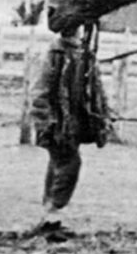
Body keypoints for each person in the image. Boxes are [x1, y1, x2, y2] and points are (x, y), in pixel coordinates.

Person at [30, 29, 111, 213]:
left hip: (72, 123)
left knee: (59, 162)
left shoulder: (83, 53)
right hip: (57, 123)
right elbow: (39, 91)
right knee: (70, 163)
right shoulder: (55, 54)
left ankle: (48, 206)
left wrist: (102, 115)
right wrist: (44, 122)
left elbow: (96, 88)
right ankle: (53, 208)